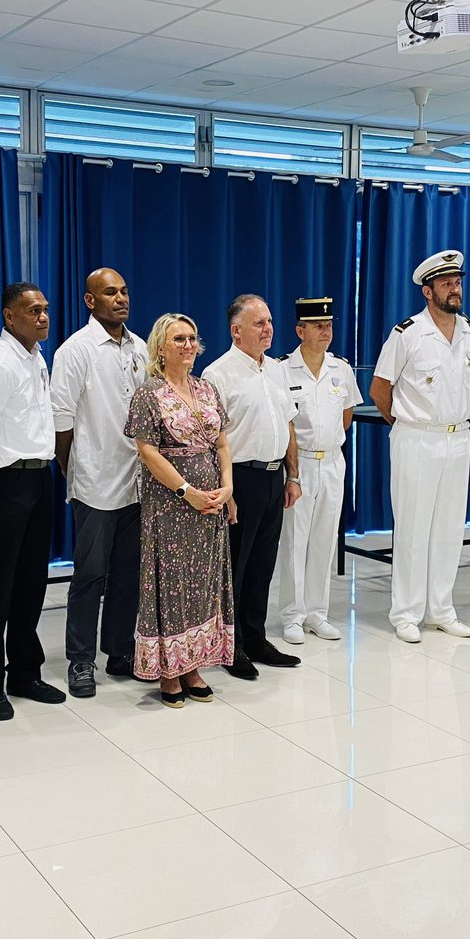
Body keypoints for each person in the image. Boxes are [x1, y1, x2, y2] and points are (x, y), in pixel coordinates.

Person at [371, 250, 470, 643]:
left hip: (459, 436)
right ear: (428, 290)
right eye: (446, 283)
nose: (455, 289)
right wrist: (406, 423)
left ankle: (441, 609)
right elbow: (380, 389)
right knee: (413, 526)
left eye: (458, 282)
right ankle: (406, 613)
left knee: (451, 527)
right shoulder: (407, 333)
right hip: (417, 437)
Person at [0, 283, 65, 721]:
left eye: (45, 309)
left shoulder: (36, 356)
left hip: (38, 477)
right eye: (33, 311)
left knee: (31, 581)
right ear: (9, 316)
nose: (43, 317)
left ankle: (25, 672)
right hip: (4, 480)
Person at [51, 268, 149, 698]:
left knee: (128, 573)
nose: (121, 298)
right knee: (90, 575)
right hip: (95, 480)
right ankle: (80, 660)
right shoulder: (76, 350)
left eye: (124, 291)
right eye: (110, 292)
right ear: (90, 301)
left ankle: (120, 650)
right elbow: (61, 420)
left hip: (137, 481)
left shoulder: (141, 347)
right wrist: (72, 468)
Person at [126, 313, 234, 706]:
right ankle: (169, 671)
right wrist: (187, 491)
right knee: (171, 584)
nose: (188, 345)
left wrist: (227, 487)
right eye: (178, 339)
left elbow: (222, 443)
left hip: (210, 505)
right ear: (160, 347)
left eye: (192, 338)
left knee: (203, 583)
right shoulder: (148, 394)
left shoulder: (206, 388)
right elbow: (147, 452)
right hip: (171, 505)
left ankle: (194, 664)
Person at [204, 294, 301, 679]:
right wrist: (225, 491)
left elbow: (288, 424)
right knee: (235, 568)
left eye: (270, 321)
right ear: (236, 331)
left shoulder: (276, 369)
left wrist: (292, 475)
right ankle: (231, 645)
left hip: (274, 478)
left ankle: (256, 637)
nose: (268, 329)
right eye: (259, 323)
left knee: (262, 564)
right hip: (240, 480)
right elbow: (211, 441)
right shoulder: (217, 374)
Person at [276, 297, 362, 645]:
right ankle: (292, 615)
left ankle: (317, 613)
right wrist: (293, 472)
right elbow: (285, 425)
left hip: (333, 461)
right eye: (317, 326)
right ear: (300, 331)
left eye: (328, 325)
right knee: (296, 541)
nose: (325, 331)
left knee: (325, 538)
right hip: (300, 463)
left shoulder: (341, 368)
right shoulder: (283, 369)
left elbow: (346, 416)